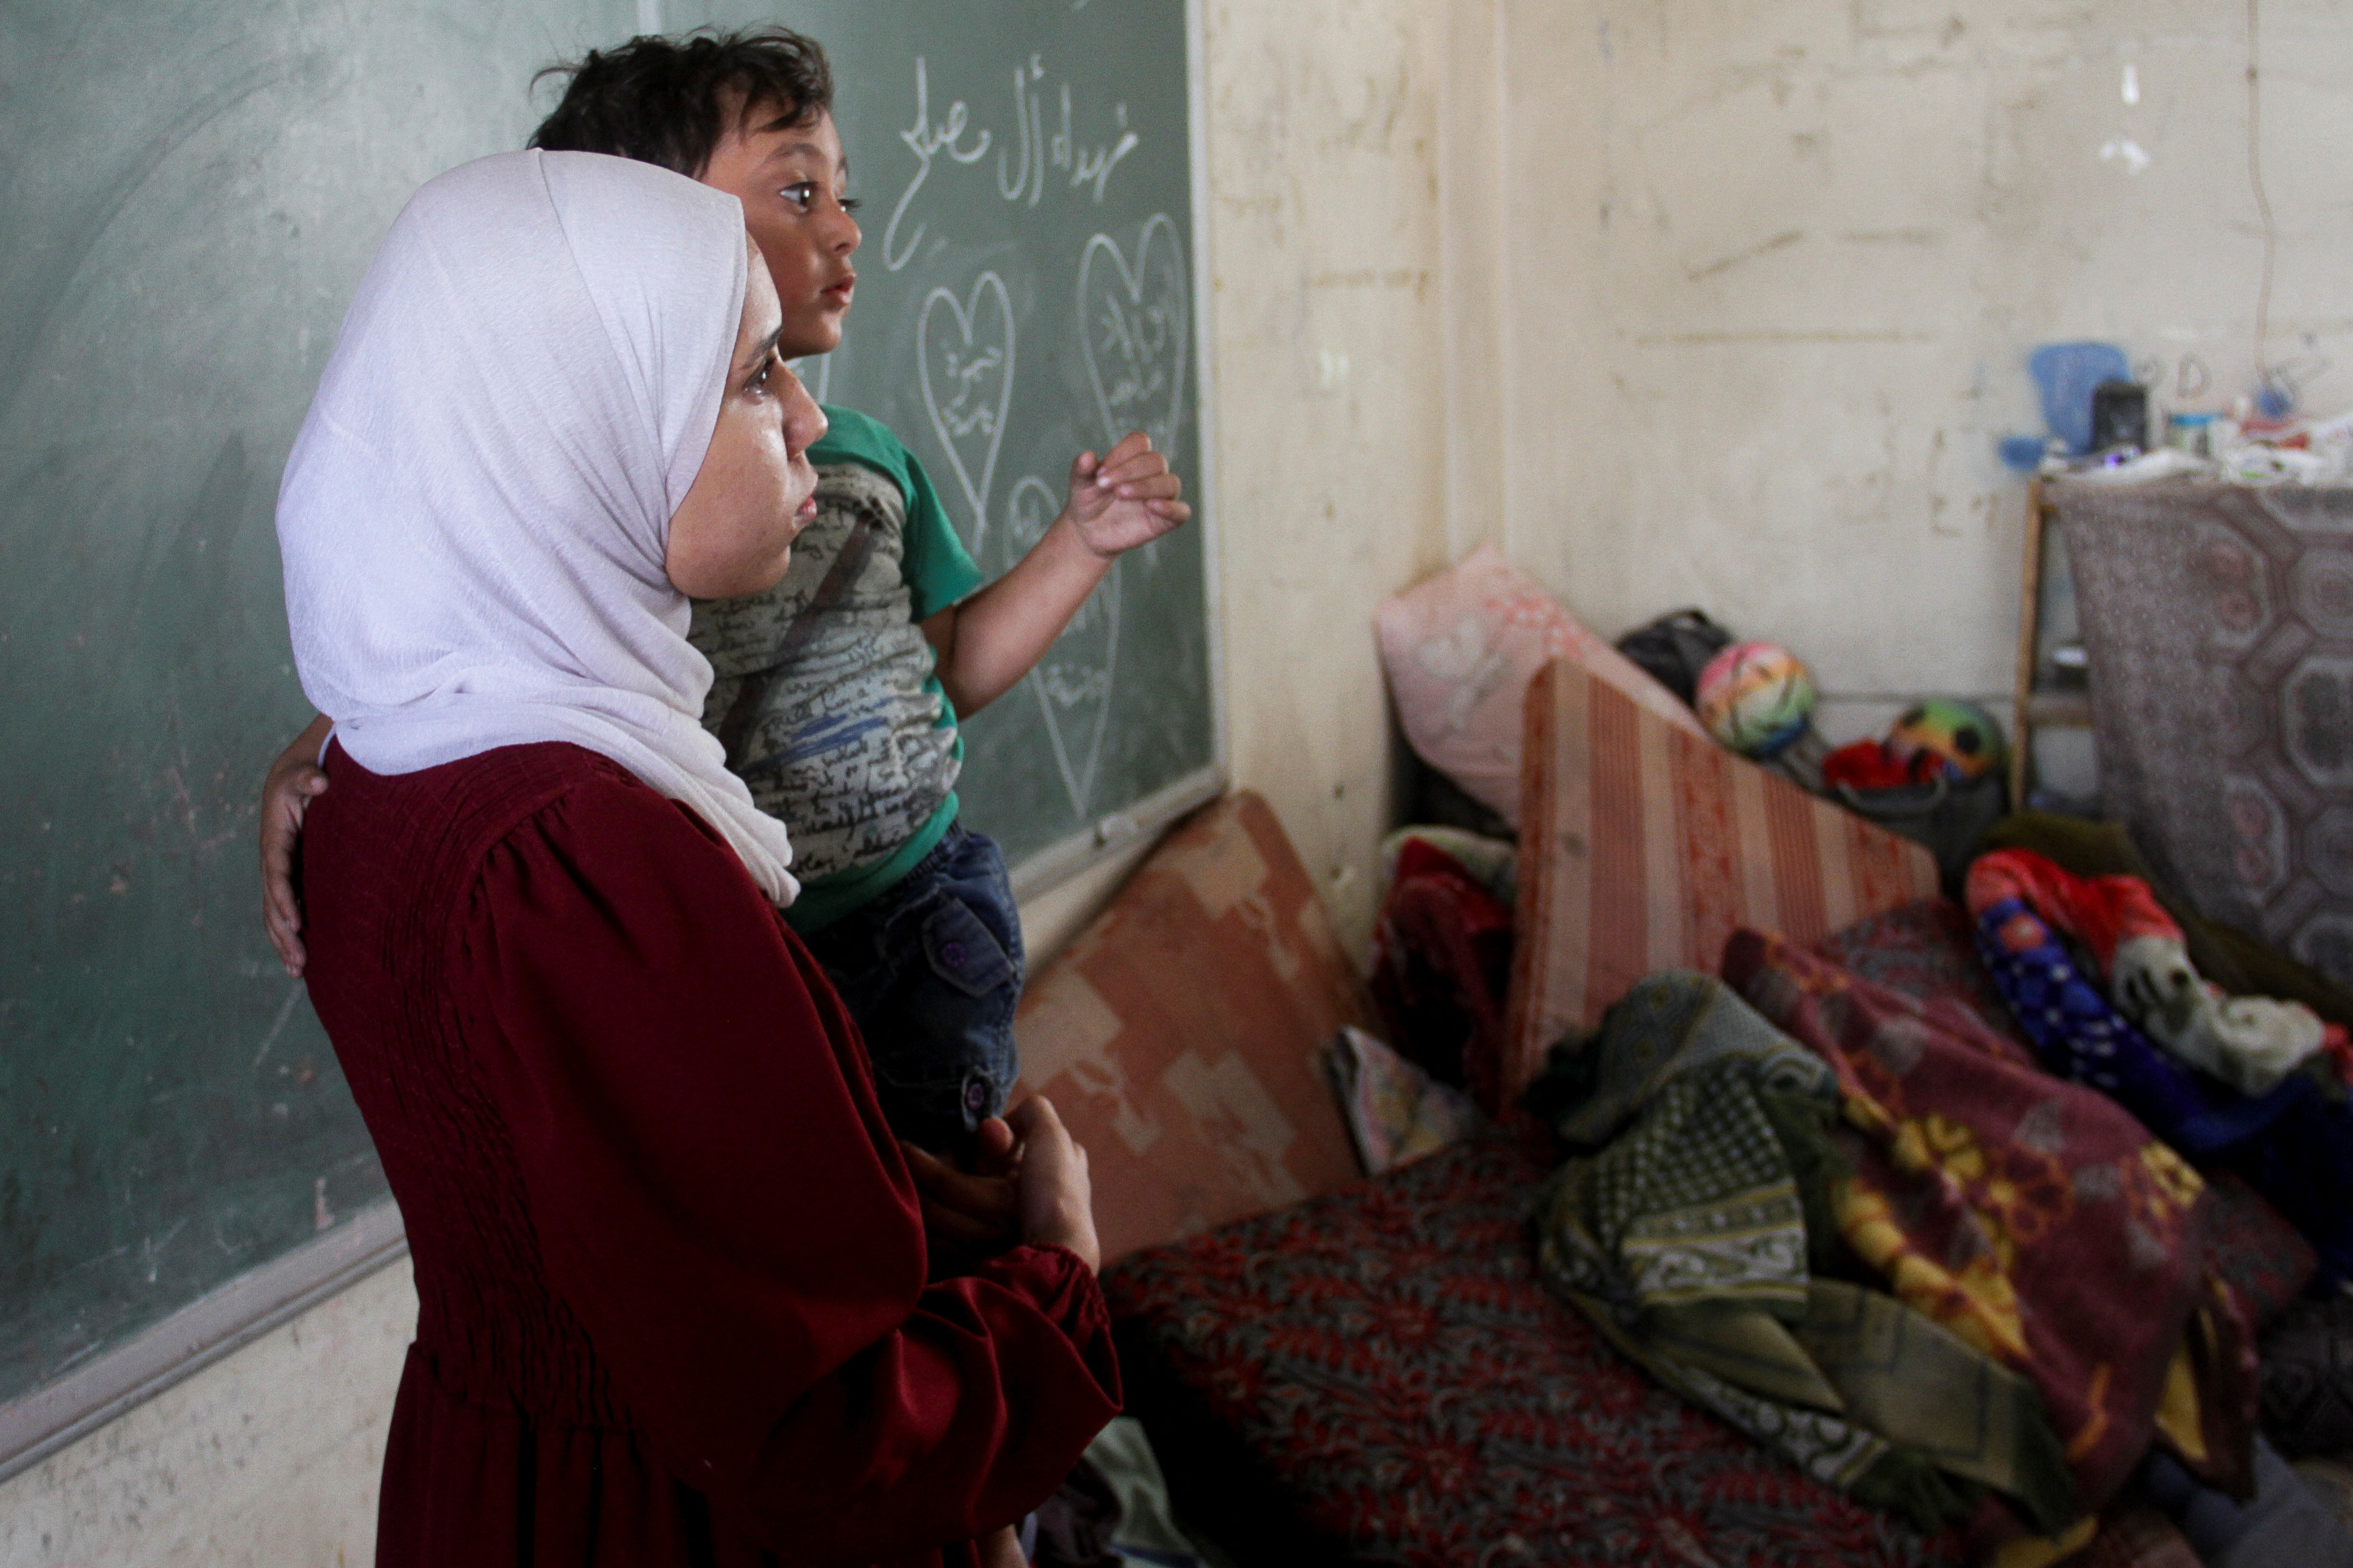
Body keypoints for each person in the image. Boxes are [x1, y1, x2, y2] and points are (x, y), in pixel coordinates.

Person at [277, 145, 1116, 1566]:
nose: (806, 417)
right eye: (745, 378)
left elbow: (613, 1210)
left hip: (502, 1487)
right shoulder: (584, 856)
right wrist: (1058, 1273)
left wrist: (887, 1197)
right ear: (579, 429)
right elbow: (817, 1423)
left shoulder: (363, 781)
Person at [259, 28, 1188, 1169]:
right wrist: (335, 733)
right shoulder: (609, 518)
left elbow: (940, 669)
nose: (846, 228)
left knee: (943, 1205)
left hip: (918, 908)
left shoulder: (864, 462)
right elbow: (479, 640)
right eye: (798, 192)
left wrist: (1080, 546)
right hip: (766, 940)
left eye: (845, 194)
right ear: (631, 230)